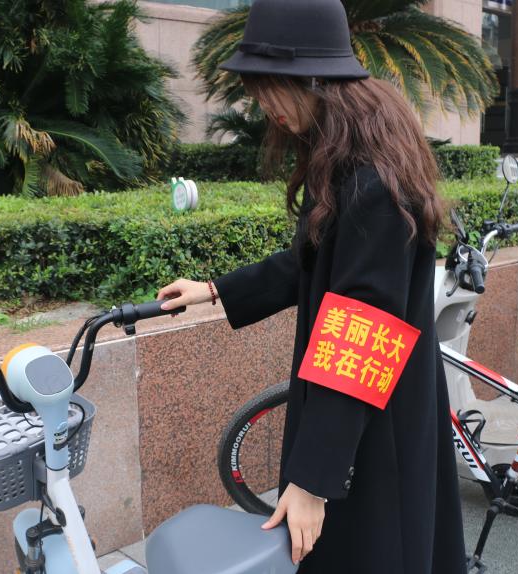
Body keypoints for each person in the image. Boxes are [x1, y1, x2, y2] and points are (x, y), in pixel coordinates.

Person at [156, 0, 466, 571]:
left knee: (367, 550)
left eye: (270, 88)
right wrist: (216, 289)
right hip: (373, 409)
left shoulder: (372, 185)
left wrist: (312, 481)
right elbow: (311, 261)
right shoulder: (358, 160)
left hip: (371, 426)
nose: (264, 106)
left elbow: (362, 337)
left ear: (315, 81)